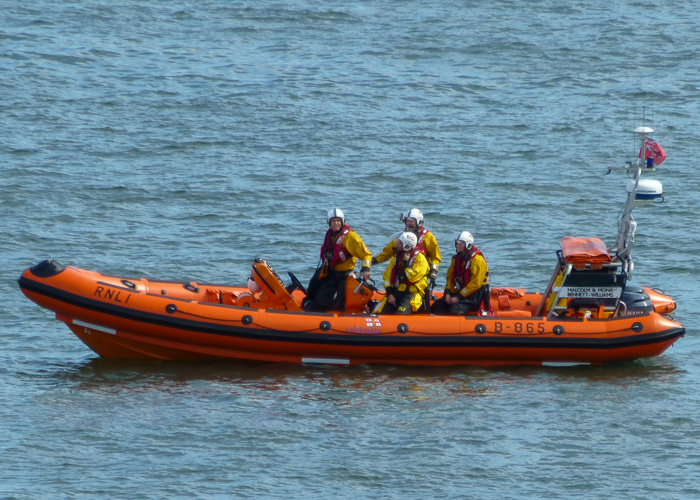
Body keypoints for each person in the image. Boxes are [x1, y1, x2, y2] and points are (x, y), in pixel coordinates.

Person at [304, 208, 372, 312]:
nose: (336, 223)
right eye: (333, 221)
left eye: (338, 221)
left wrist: (366, 269)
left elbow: (366, 254)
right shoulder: (330, 235)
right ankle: (310, 304)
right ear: (329, 223)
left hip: (344, 275)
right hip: (332, 272)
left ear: (342, 221)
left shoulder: (351, 237)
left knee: (340, 303)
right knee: (317, 289)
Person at [372, 208, 441, 286]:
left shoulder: (428, 237)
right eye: (407, 221)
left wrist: (433, 271)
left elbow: (435, 257)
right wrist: (374, 261)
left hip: (418, 274)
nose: (408, 223)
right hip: (402, 273)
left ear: (419, 222)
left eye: (411, 221)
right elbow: (388, 252)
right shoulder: (402, 237)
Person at [431, 231, 490, 315]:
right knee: (437, 306)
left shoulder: (478, 260)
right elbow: (450, 277)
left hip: (474, 296)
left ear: (468, 245)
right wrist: (447, 292)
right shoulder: (456, 259)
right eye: (457, 243)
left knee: (455, 309)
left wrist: (458, 297)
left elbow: (476, 283)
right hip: (461, 292)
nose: (458, 245)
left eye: (461, 243)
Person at [373, 232, 429, 315]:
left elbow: (412, 278)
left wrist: (406, 264)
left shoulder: (420, 259)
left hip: (411, 293)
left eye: (400, 243)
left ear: (407, 245)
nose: (397, 244)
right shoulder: (396, 257)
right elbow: (387, 276)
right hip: (397, 291)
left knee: (401, 313)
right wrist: (390, 294)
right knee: (380, 311)